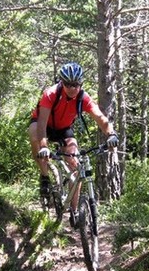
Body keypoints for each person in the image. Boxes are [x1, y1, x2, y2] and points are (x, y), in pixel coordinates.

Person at [28, 61, 119, 227]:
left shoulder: (83, 98)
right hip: (45, 125)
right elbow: (41, 124)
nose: (72, 88)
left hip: (64, 129)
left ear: (81, 83)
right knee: (34, 133)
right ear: (62, 83)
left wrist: (111, 134)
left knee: (76, 165)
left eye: (76, 84)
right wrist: (44, 147)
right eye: (69, 84)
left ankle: (75, 211)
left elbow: (100, 118)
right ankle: (44, 175)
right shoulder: (51, 94)